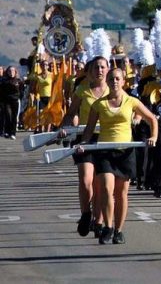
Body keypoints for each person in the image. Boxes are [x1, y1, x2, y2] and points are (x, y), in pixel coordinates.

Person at [79, 68, 158, 244]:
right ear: (107, 82)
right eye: (111, 79)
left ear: (123, 81)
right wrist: (83, 145)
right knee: (106, 188)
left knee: (121, 193)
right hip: (105, 151)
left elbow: (152, 119)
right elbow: (89, 130)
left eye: (117, 78)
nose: (114, 81)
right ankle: (108, 227)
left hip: (126, 151)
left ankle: (119, 230)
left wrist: (153, 137)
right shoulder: (98, 104)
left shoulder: (132, 101)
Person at [60, 56, 109, 238]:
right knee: (86, 179)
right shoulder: (82, 90)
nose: (99, 71)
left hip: (105, 138)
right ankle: (85, 214)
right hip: (84, 138)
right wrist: (66, 128)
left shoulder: (113, 90)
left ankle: (99, 221)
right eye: (96, 67)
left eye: (103, 67)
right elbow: (71, 113)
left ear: (108, 70)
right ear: (89, 71)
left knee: (100, 184)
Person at [0, 67, 24, 139]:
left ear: (15, 72)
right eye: (10, 71)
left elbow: (22, 91)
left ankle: (13, 133)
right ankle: (7, 132)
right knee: (8, 116)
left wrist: (19, 97)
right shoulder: (4, 81)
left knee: (14, 117)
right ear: (7, 72)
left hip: (15, 101)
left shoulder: (19, 81)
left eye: (13, 71)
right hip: (7, 101)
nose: (11, 72)